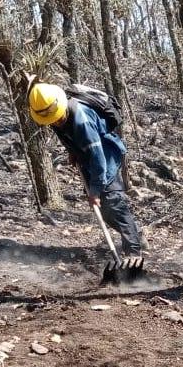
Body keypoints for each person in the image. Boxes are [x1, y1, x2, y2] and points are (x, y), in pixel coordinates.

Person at [27, 82, 143, 263]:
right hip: (89, 159)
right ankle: (134, 233)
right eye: (51, 120)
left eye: (56, 118)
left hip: (106, 157)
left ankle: (134, 254)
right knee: (104, 210)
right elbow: (68, 136)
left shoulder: (82, 121)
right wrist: (74, 151)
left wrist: (95, 191)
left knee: (114, 205)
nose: (55, 122)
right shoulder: (53, 115)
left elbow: (99, 159)